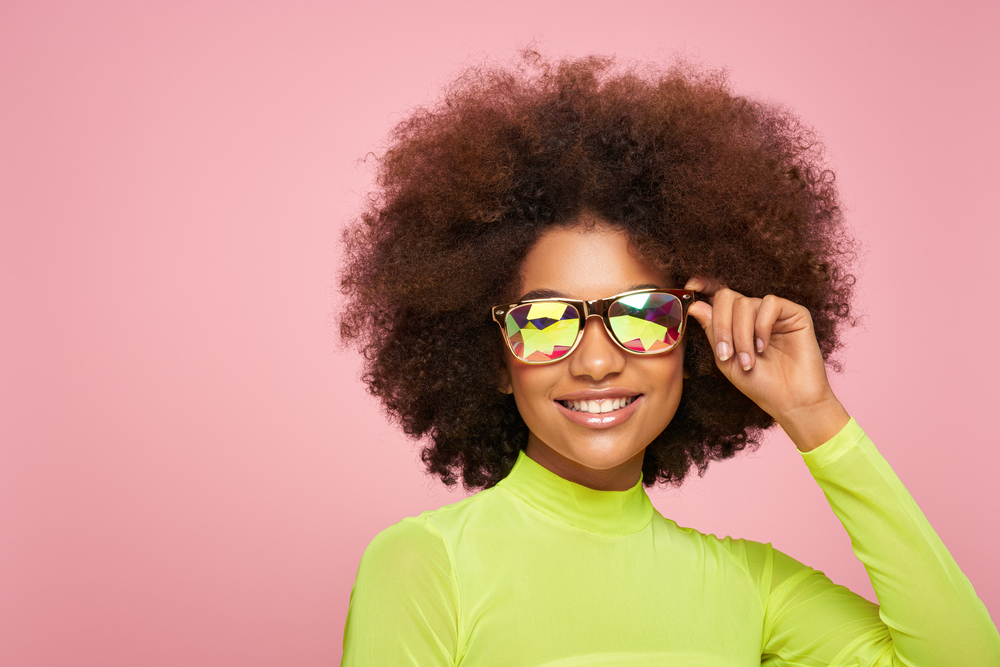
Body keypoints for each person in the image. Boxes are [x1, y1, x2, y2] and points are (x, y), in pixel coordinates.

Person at [338, 52, 1000, 665]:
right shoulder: (426, 564)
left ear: (691, 343)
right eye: (545, 322)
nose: (596, 362)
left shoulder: (751, 588)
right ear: (494, 360)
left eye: (641, 315)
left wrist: (813, 412)